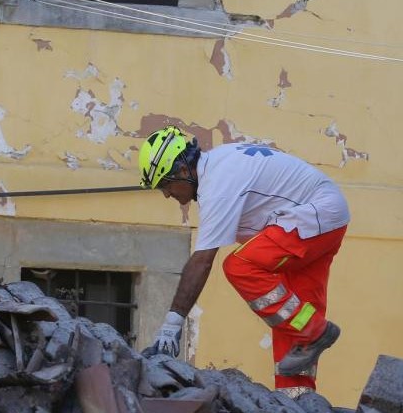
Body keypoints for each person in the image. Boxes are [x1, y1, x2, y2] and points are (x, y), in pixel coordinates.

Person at [136, 126, 348, 396]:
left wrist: (171, 326)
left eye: (165, 185)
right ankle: (299, 402)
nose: (166, 194)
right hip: (324, 218)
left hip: (314, 215)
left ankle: (314, 330)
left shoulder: (217, 183)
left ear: (182, 170)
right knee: (290, 318)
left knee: (240, 267)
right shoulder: (220, 166)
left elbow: (202, 261)